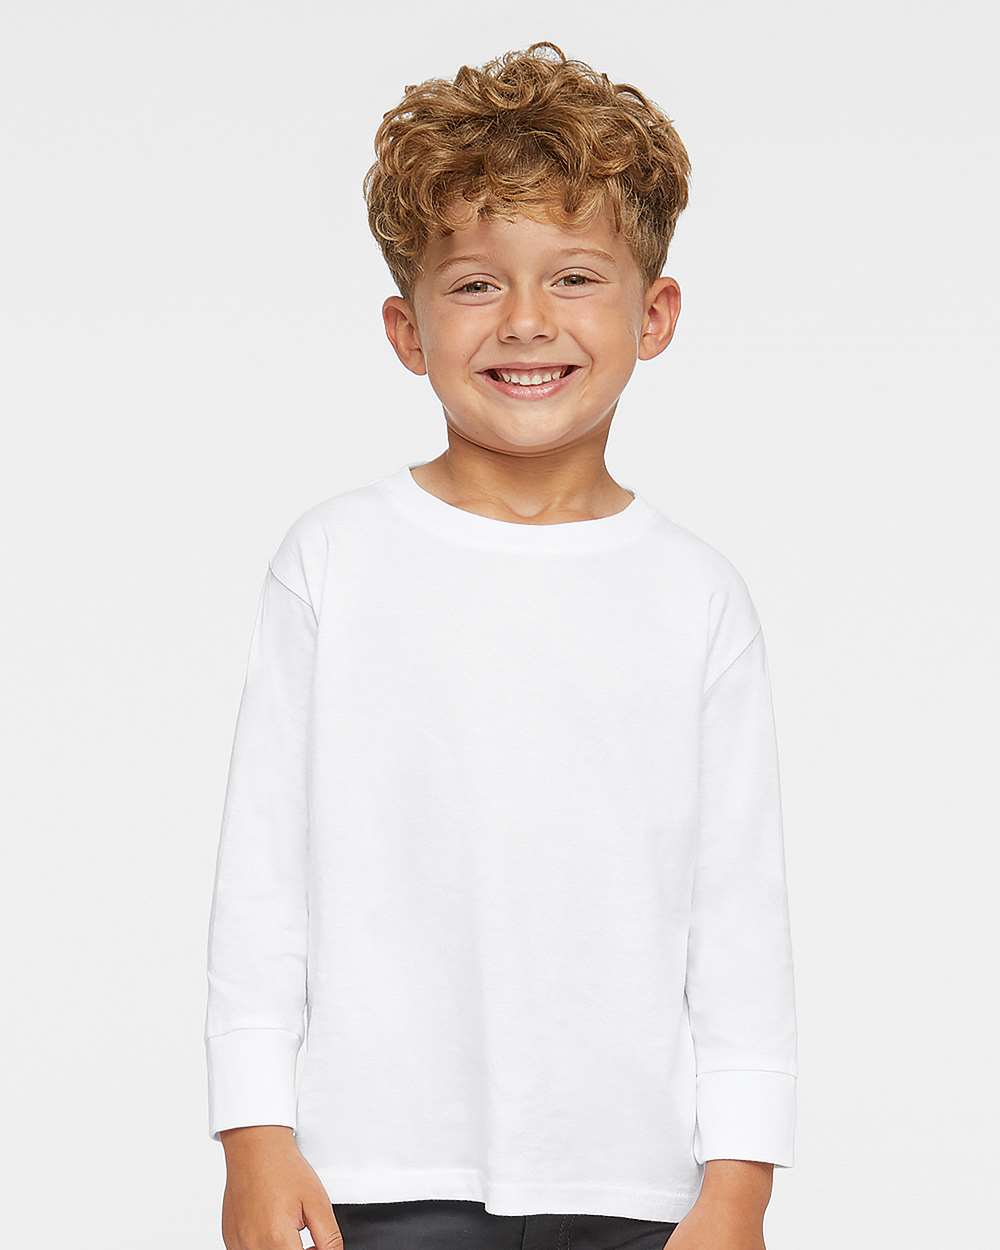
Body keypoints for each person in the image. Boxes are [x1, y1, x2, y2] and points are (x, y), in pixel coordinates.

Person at [204, 40, 798, 1250]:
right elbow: (263, 879)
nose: (526, 322)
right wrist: (254, 1132)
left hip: (634, 1185)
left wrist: (739, 1180)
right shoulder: (335, 563)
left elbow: (737, 911)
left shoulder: (695, 596)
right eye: (475, 284)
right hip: (380, 1171)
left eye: (574, 276)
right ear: (407, 328)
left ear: (654, 313)